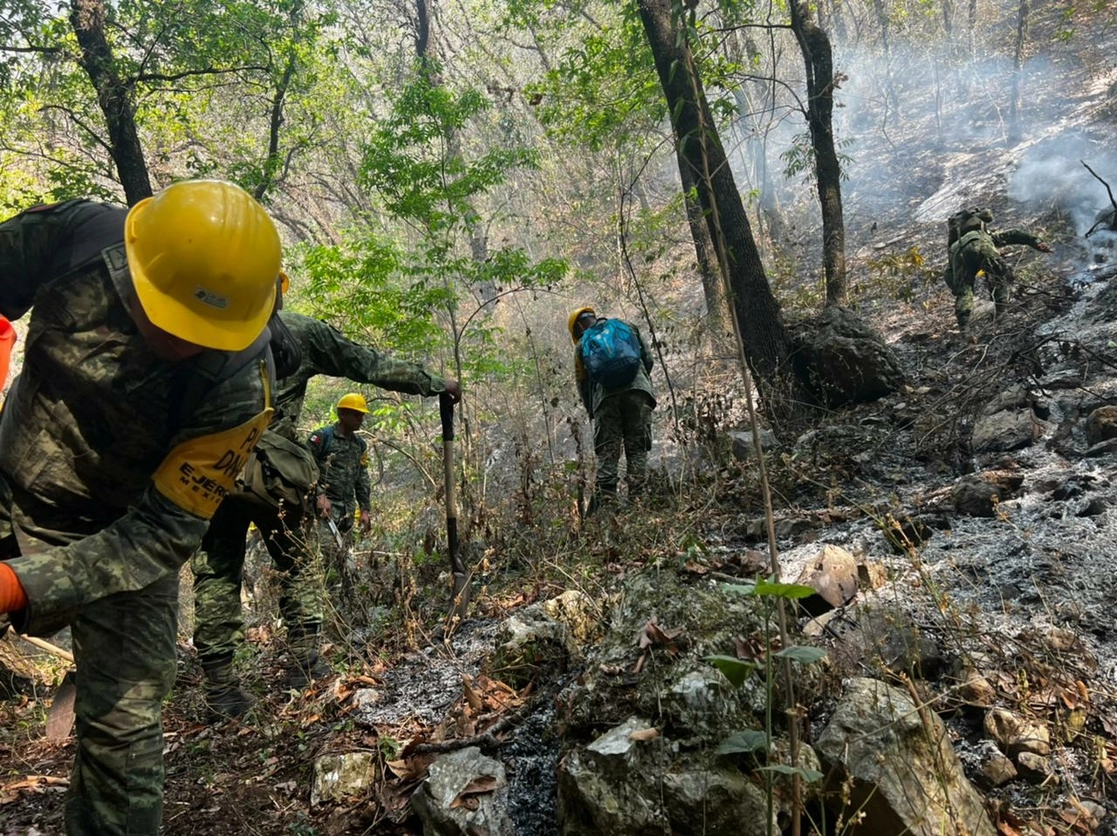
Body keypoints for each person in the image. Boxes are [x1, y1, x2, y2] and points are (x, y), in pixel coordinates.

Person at [0, 179, 281, 835]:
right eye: (167, 321)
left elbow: (161, 533)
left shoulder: (242, 382)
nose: (181, 344)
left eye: (200, 334)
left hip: (121, 540)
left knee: (125, 752)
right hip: (8, 482)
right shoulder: (78, 236)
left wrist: (19, 585)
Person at [191, 314, 459, 717]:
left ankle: (221, 690)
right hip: (273, 473)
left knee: (216, 571)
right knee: (299, 564)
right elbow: (367, 364)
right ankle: (304, 666)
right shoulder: (296, 331)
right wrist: (435, 382)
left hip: (209, 468)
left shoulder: (196, 327)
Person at [568, 306, 656, 511]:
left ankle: (608, 511)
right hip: (638, 392)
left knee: (608, 454)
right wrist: (640, 383)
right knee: (637, 449)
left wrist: (592, 410)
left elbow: (582, 384)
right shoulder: (626, 327)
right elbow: (648, 359)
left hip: (605, 400)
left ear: (579, 326)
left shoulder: (581, 346)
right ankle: (637, 505)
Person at [943, 206, 1052, 328]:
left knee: (965, 292)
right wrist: (1036, 242)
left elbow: (947, 274)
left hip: (959, 255)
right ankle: (1002, 317)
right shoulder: (983, 235)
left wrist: (958, 290)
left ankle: (965, 330)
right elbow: (1014, 234)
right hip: (980, 243)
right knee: (999, 277)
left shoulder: (955, 246)